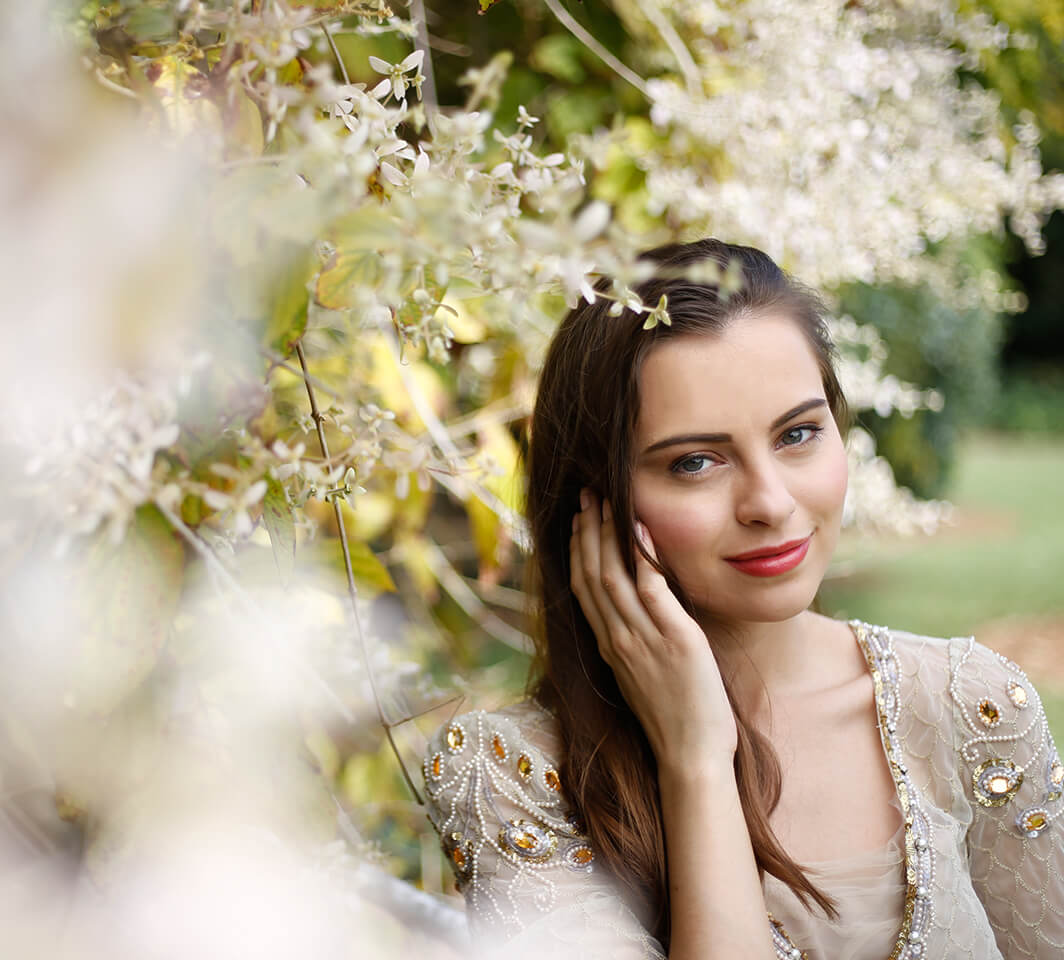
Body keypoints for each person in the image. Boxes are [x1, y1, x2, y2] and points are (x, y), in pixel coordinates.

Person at [421, 239, 1064, 959]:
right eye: (695, 461)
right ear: (592, 502)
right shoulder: (512, 775)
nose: (771, 502)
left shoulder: (969, 708)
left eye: (798, 433)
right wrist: (695, 758)